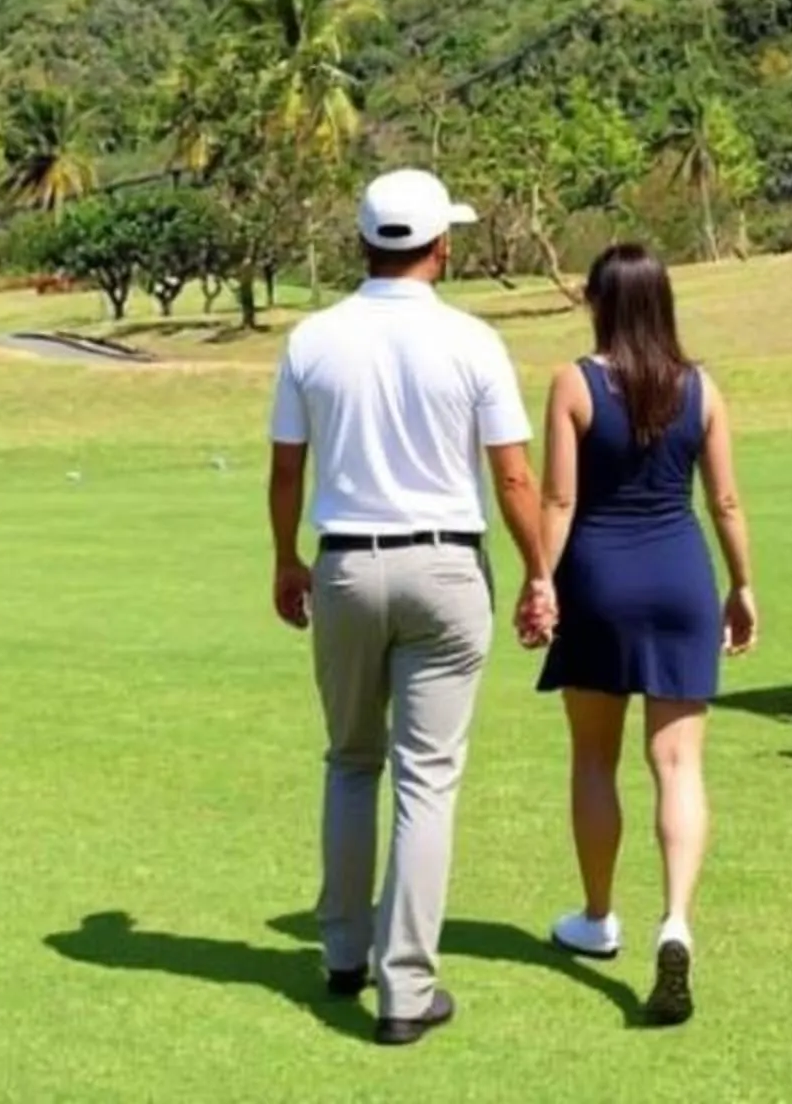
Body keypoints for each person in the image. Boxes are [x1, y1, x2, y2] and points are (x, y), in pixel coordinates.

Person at [267, 168, 554, 1049]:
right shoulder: (474, 341)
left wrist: (286, 561)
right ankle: (406, 987)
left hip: (347, 567)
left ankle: (345, 955)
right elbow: (512, 476)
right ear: (442, 245)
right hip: (446, 569)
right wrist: (542, 571)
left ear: (363, 242)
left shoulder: (311, 338)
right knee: (426, 781)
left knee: (352, 763)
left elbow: (288, 471)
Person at [535, 242, 756, 1028]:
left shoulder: (575, 381)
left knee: (595, 757)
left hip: (597, 581)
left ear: (598, 301)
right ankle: (676, 921)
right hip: (681, 580)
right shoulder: (702, 389)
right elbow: (725, 504)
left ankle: (598, 919)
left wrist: (539, 581)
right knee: (678, 763)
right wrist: (744, 586)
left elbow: (558, 501)